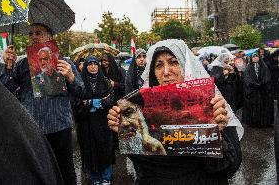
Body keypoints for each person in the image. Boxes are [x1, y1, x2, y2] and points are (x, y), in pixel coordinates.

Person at [107, 39, 243, 184]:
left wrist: (216, 136)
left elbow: (230, 167)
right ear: (153, 72)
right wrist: (125, 132)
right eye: (159, 65)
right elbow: (142, 164)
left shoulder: (213, 105)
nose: (166, 72)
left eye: (173, 62)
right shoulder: (141, 108)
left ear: (186, 65)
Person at [0, 23, 84, 185]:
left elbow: (81, 92)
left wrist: (71, 77)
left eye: (38, 33)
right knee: (39, 172)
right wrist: (8, 68)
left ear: (49, 37)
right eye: (30, 34)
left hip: (60, 127)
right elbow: (7, 90)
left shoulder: (64, 62)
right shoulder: (22, 64)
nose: (33, 37)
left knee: (65, 170)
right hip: (33, 128)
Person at [0, 77, 64, 184]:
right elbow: (8, 87)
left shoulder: (65, 65)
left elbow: (80, 90)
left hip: (59, 124)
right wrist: (8, 70)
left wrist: (71, 79)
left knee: (63, 166)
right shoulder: (20, 67)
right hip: (34, 123)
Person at [75, 56, 115, 185]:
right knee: (90, 150)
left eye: (95, 64)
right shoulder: (80, 82)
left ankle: (106, 177)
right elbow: (77, 102)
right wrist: (93, 102)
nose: (93, 67)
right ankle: (95, 178)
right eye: (90, 64)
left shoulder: (105, 82)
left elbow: (110, 100)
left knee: (105, 149)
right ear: (86, 67)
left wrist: (92, 102)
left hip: (103, 123)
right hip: (87, 124)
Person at [242, 52, 274, 127]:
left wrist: (262, 83)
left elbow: (267, 76)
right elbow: (247, 78)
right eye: (253, 57)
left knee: (263, 106)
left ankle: (264, 122)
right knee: (253, 106)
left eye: (256, 56)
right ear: (251, 58)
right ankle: (253, 123)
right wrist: (253, 84)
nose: (255, 58)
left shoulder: (264, 66)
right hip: (253, 91)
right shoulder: (248, 67)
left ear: (259, 58)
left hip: (262, 91)